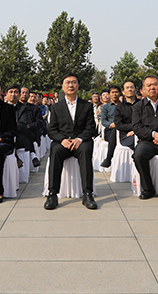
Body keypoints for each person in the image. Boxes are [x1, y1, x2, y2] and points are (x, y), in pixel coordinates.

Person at [45, 74, 99, 209]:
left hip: (81, 142)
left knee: (85, 151)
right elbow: (52, 130)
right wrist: (62, 140)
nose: (70, 85)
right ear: (63, 86)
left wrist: (79, 139)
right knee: (55, 151)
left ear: (78, 86)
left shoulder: (86, 106)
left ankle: (87, 194)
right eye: (67, 82)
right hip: (62, 142)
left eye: (74, 82)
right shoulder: (56, 107)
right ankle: (52, 194)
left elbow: (91, 128)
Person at [99, 85, 122, 168]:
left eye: (116, 92)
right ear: (109, 94)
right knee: (114, 131)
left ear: (120, 93)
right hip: (110, 130)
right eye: (112, 92)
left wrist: (118, 124)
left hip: (123, 130)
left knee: (116, 130)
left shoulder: (124, 106)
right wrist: (111, 124)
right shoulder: (105, 107)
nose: (114, 94)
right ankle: (109, 158)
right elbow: (103, 121)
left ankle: (108, 158)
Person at [114, 80, 139, 149]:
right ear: (123, 92)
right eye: (127, 88)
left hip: (141, 133)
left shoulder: (142, 104)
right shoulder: (119, 107)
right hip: (126, 136)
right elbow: (119, 125)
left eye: (131, 87)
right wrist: (135, 128)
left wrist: (136, 130)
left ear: (135, 90)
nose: (129, 89)